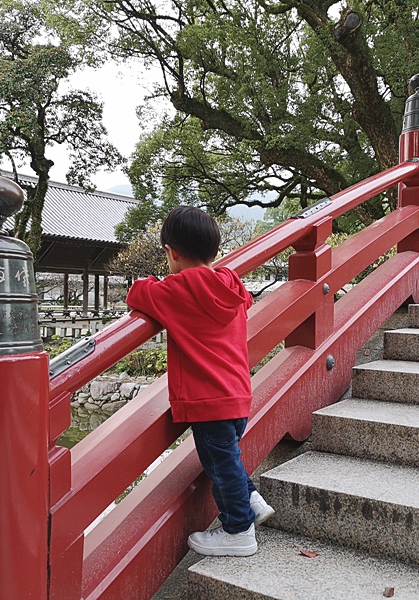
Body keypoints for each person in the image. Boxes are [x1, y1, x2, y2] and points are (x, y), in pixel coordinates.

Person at [126, 205, 274, 557]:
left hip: (208, 401)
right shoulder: (231, 286)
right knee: (227, 457)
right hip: (237, 394)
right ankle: (251, 499)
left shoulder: (176, 291)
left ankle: (238, 530)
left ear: (172, 252)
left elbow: (137, 294)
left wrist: (152, 280)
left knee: (219, 464)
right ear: (215, 251)